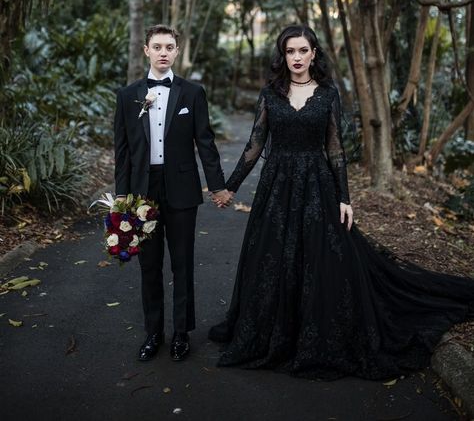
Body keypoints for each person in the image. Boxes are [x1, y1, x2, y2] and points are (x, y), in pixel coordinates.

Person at [208, 24, 474, 380]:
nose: (297, 57)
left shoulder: (328, 93)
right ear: (282, 55)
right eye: (290, 51)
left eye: (303, 51)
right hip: (279, 188)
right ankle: (276, 332)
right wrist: (230, 187)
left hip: (318, 185)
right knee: (274, 257)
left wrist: (345, 198)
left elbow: (335, 151)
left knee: (321, 257)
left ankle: (314, 332)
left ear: (314, 53)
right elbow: (254, 146)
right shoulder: (271, 94)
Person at [114, 24, 225, 363]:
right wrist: (122, 197)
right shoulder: (127, 95)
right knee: (149, 265)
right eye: (157, 46)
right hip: (142, 191)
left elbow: (204, 141)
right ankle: (153, 333)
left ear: (177, 51)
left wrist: (217, 185)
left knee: (182, 264)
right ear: (145, 50)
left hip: (182, 189)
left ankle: (181, 333)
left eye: (169, 47)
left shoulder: (192, 93)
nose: (163, 52)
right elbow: (122, 151)